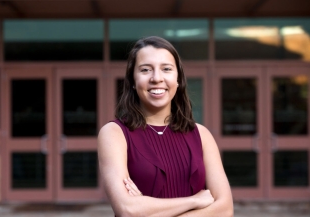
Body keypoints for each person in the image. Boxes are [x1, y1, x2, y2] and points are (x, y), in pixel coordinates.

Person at [98, 36, 233, 217]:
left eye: (166, 69)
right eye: (145, 70)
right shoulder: (114, 134)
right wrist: (194, 201)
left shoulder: (201, 135)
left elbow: (225, 210)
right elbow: (128, 210)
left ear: (178, 79)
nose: (156, 78)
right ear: (132, 80)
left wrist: (147, 209)